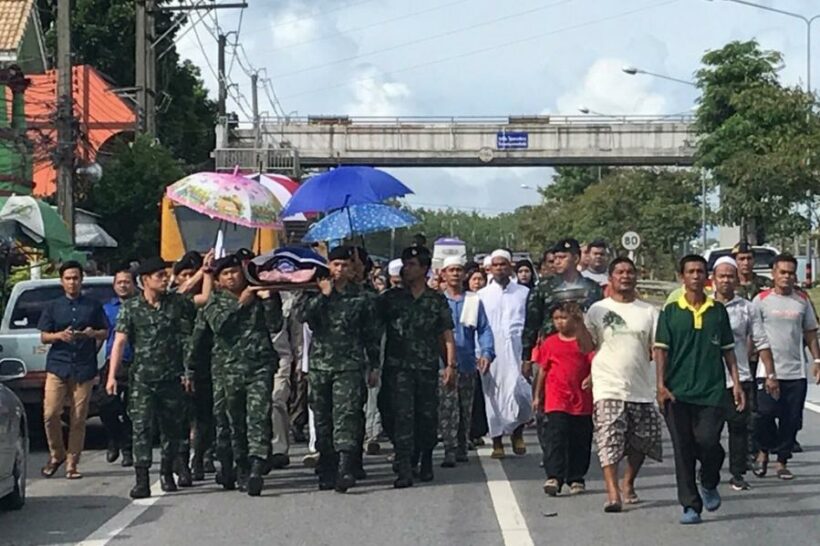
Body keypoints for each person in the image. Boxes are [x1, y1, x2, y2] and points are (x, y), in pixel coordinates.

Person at [654, 255, 745, 525]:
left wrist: (737, 383)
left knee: (708, 442)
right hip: (677, 393)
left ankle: (709, 481)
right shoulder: (671, 312)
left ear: (706, 277)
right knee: (683, 449)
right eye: (691, 272)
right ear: (682, 276)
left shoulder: (717, 311)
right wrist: (660, 385)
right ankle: (690, 505)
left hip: (712, 392)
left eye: (700, 272)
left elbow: (728, 351)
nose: (695, 276)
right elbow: (661, 350)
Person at [187, 254, 283, 497]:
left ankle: (257, 466)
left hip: (259, 367)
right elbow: (219, 326)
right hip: (227, 371)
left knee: (258, 416)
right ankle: (238, 466)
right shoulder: (214, 303)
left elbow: (275, 325)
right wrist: (242, 303)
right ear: (218, 280)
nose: (232, 277)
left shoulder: (260, 295)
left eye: (235, 272)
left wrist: (269, 299)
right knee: (233, 423)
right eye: (225, 274)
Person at [106, 257, 200, 498]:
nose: (165, 278)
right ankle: (142, 479)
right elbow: (119, 341)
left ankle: (167, 472)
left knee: (171, 429)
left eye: (165, 274)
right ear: (145, 280)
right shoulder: (131, 307)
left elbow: (187, 338)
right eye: (160, 275)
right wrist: (112, 376)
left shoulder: (175, 304)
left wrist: (188, 370)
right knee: (141, 428)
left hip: (171, 378)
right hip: (142, 380)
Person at [299, 246, 380, 492]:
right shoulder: (316, 291)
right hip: (321, 366)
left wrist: (374, 365)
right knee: (323, 418)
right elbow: (301, 316)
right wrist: (323, 295)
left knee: (347, 415)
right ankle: (327, 465)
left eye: (345, 265)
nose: (340, 269)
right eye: (335, 265)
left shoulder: (362, 296)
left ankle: (346, 467)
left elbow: (371, 333)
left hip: (350, 365)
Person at [585, 257, 662, 512]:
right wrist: (577, 326)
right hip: (607, 384)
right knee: (609, 438)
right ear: (611, 278)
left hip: (640, 386)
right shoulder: (598, 309)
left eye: (630, 272)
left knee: (643, 439)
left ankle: (628, 481)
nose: (625, 276)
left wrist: (662, 383)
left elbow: (657, 350)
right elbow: (588, 346)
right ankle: (613, 493)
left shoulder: (649, 311)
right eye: (620, 272)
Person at [378, 246, 457, 488]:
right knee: (398, 416)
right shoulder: (391, 299)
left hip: (425, 368)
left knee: (426, 417)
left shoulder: (435, 300)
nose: (406, 269)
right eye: (405, 263)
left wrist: (450, 365)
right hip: (397, 369)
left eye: (412, 264)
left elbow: (445, 335)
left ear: (424, 269)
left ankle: (424, 459)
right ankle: (404, 465)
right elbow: (371, 324)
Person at [522, 239, 603, 458]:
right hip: (552, 355)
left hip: (584, 356)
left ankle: (574, 455)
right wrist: (527, 357)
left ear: (576, 259)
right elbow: (531, 323)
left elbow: (601, 325)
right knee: (548, 409)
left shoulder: (592, 289)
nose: (557, 261)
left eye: (563, 257)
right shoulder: (544, 287)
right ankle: (552, 454)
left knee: (580, 410)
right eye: (555, 257)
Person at [39, 261, 108, 480]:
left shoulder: (93, 305)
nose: (72, 282)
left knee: (78, 418)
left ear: (81, 280)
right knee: (50, 413)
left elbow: (105, 332)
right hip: (58, 365)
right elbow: (43, 335)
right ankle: (57, 453)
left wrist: (91, 333)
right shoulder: (53, 306)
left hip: (84, 367)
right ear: (62, 281)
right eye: (68, 278)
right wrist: (59, 335)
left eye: (76, 278)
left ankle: (72, 463)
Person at [752, 254, 820, 480]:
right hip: (767, 371)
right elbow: (753, 334)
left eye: (791, 273)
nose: (787, 277)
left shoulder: (802, 301)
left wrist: (817, 360)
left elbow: (810, 332)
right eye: (782, 272)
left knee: (791, 420)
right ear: (773, 274)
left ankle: (781, 461)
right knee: (764, 414)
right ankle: (762, 451)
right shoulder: (760, 300)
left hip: (795, 371)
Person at [711, 256, 775, 491]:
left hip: (740, 378)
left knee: (739, 429)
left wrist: (770, 373)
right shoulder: (705, 306)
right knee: (708, 433)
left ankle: (737, 473)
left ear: (737, 279)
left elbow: (760, 340)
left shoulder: (747, 308)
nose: (726, 280)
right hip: (709, 381)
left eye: (730, 276)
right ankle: (708, 466)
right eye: (722, 276)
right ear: (713, 280)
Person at [532, 302, 594, 497]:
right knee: (555, 438)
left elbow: (595, 363)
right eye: (556, 318)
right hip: (556, 399)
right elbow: (543, 370)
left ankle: (576, 477)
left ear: (574, 319)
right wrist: (537, 395)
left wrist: (591, 378)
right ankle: (554, 477)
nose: (560, 322)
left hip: (581, 400)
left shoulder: (584, 342)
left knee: (580, 439)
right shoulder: (549, 343)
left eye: (564, 318)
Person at [438, 256, 494, 467]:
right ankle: (449, 448)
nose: (455, 274)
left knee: (464, 407)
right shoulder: (438, 300)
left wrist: (487, 352)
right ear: (443, 274)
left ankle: (462, 444)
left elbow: (484, 329)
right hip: (443, 364)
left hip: (468, 362)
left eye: (458, 270)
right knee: (447, 408)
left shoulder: (472, 300)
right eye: (451, 270)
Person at [478, 249, 532, 458]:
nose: (500, 268)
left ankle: (517, 433)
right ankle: (497, 441)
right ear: (490, 268)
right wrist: (479, 352)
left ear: (511, 267)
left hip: (517, 350)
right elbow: (479, 327)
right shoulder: (481, 295)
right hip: (491, 353)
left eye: (504, 264)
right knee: (493, 396)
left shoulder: (524, 293)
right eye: (496, 265)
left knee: (519, 392)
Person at [99, 265, 137, 468]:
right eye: (119, 282)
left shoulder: (142, 305)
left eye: (127, 282)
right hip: (114, 364)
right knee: (106, 405)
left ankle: (128, 448)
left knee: (133, 409)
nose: (123, 286)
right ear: (114, 286)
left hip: (137, 363)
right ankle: (114, 437)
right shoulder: (106, 309)